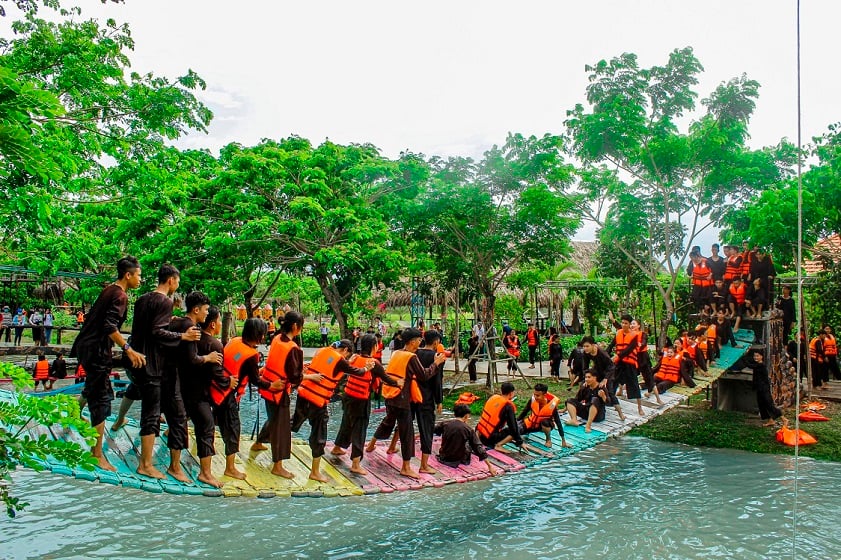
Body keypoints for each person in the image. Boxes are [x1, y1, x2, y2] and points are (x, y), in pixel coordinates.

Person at [69, 256, 145, 471]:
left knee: (94, 385)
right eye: (138, 275)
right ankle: (96, 454)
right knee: (102, 398)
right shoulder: (120, 295)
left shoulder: (109, 290)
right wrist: (128, 349)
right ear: (128, 275)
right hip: (96, 350)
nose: (140, 279)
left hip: (86, 346)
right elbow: (109, 326)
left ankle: (75, 411)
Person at [129, 264, 202, 481]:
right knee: (153, 414)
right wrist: (182, 337)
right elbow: (157, 332)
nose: (177, 284)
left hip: (140, 361)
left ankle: (155, 463)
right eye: (177, 281)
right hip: (154, 364)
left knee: (152, 413)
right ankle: (146, 464)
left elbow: (144, 329)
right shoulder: (164, 301)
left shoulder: (143, 299)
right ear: (171, 280)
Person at [366, 328, 447, 479]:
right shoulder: (412, 356)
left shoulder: (397, 353)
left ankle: (376, 445)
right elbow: (425, 375)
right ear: (412, 342)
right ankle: (408, 467)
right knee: (408, 433)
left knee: (391, 422)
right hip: (405, 399)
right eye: (418, 340)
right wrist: (436, 363)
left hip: (392, 396)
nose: (420, 342)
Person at [292, 339, 375, 482]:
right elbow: (357, 371)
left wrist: (348, 361)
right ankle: (315, 472)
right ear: (346, 350)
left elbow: (333, 366)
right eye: (347, 355)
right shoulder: (340, 360)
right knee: (319, 435)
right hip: (317, 401)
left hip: (303, 394)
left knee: (292, 423)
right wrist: (367, 368)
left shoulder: (322, 351)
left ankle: (263, 443)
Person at [169, 292, 224, 487]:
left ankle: (176, 465)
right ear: (196, 309)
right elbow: (191, 360)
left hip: (178, 383)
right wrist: (208, 358)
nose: (207, 313)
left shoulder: (177, 323)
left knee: (179, 423)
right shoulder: (191, 329)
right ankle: (203, 473)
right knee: (206, 425)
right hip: (192, 388)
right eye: (206, 309)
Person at [214, 317, 275, 480]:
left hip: (216, 387)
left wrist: (258, 370)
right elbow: (255, 380)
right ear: (258, 335)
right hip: (228, 394)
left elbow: (242, 369)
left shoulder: (235, 341)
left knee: (212, 420)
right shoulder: (251, 355)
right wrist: (271, 386)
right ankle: (230, 468)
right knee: (233, 429)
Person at [330, 333, 399, 475]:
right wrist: (399, 383)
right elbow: (386, 378)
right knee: (359, 429)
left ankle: (337, 447)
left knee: (347, 422)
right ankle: (355, 463)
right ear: (374, 346)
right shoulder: (373, 363)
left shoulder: (354, 357)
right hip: (360, 400)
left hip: (348, 396)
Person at [252, 311, 306, 479]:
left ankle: (258, 442)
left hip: (267, 386)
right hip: (279, 391)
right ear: (295, 326)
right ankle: (278, 466)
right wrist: (303, 374)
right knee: (281, 428)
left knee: (273, 419)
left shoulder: (276, 338)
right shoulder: (292, 348)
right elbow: (294, 377)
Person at [434, 404, 498, 476]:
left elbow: (433, 431)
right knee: (470, 444)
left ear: (455, 414)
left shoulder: (445, 424)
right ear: (466, 416)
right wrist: (490, 466)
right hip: (459, 459)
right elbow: (478, 448)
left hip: (444, 457)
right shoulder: (468, 429)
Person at [606, 314, 644, 416]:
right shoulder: (618, 333)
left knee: (634, 384)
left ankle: (640, 408)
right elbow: (611, 346)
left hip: (629, 363)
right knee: (612, 382)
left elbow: (628, 350)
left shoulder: (634, 336)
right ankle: (611, 401)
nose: (623, 325)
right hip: (619, 363)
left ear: (629, 324)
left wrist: (617, 357)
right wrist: (605, 355)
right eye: (622, 323)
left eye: (626, 323)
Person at [516, 383, 570, 448]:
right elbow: (524, 412)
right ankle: (526, 432)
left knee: (545, 422)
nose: (535, 397)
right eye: (534, 394)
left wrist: (563, 440)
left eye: (538, 395)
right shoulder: (532, 400)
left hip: (543, 426)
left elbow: (558, 421)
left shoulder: (551, 405)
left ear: (544, 395)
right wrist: (515, 423)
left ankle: (548, 440)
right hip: (531, 424)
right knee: (514, 431)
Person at [476, 382, 525, 452]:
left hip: (481, 434)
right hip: (490, 439)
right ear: (511, 393)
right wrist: (520, 441)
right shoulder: (508, 406)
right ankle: (499, 445)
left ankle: (477, 441)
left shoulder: (493, 398)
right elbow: (513, 427)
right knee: (519, 428)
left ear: (501, 391)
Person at [750, 349, 785, 427]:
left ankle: (784, 419)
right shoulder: (757, 364)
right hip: (759, 388)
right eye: (754, 356)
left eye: (757, 356)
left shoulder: (761, 365)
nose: (755, 357)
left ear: (761, 357)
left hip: (764, 388)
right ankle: (771, 420)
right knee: (762, 405)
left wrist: (743, 357)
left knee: (769, 404)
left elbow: (749, 365)